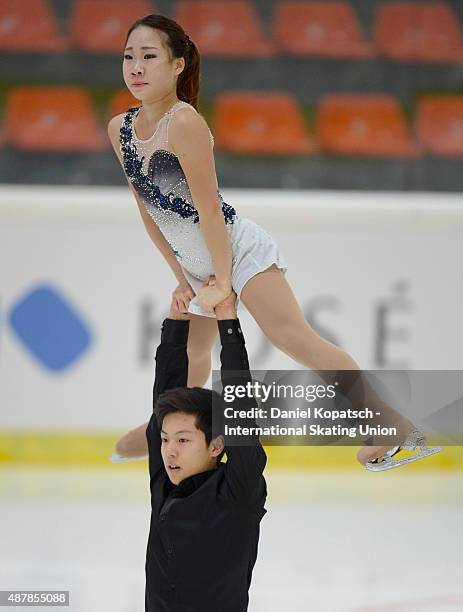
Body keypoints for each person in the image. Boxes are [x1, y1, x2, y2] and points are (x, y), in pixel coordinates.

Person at [107, 14, 418, 468]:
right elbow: (150, 213)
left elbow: (209, 210)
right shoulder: (120, 129)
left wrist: (222, 278)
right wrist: (185, 280)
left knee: (292, 337)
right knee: (192, 351)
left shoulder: (185, 122)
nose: (136, 66)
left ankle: (388, 421)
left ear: (177, 65)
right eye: (129, 57)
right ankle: (168, 425)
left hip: (235, 250)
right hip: (197, 263)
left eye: (149, 56)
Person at [142, 287, 266, 611]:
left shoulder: (237, 492)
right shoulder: (165, 484)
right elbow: (164, 394)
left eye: (183, 440)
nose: (169, 452)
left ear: (216, 445)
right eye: (166, 440)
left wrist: (228, 321)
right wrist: (176, 320)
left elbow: (241, 415)